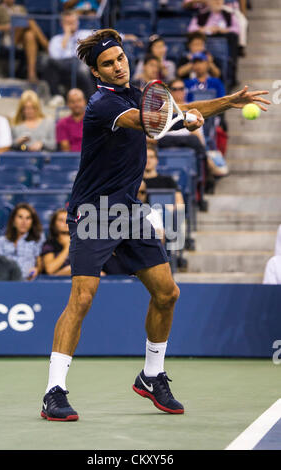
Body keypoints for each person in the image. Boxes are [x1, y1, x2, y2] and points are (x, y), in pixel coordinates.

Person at [40, 27, 270, 421]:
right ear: (97, 73)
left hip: (128, 212)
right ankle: (53, 391)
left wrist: (227, 102)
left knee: (167, 293)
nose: (117, 67)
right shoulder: (102, 105)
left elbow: (176, 111)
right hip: (94, 212)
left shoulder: (135, 93)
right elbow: (151, 121)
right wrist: (186, 121)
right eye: (108, 64)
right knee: (82, 298)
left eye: (120, 59)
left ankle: (151, 375)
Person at [0, 0, 48, 83]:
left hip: (22, 40)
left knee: (30, 35)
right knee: (29, 21)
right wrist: (6, 27)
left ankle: (31, 74)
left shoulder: (21, 8)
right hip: (7, 38)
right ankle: (47, 46)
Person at [41, 9, 96, 99]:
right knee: (48, 63)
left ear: (78, 22)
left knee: (84, 68)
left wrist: (126, 37)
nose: (71, 25)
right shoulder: (56, 39)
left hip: (80, 64)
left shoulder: (86, 34)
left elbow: (108, 35)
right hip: (62, 67)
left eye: (73, 22)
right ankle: (57, 97)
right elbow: (55, 56)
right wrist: (67, 35)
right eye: (68, 23)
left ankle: (92, 100)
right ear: (62, 24)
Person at [0, 203, 45, 280]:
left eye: (28, 218)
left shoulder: (38, 238)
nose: (24, 222)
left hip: (27, 282)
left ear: (32, 222)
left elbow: (40, 263)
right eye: (20, 217)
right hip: (5, 281)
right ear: (13, 221)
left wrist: (36, 270)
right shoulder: (2, 241)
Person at [41, 209, 71, 276]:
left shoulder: (81, 242)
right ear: (54, 224)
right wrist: (67, 247)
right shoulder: (49, 244)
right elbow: (50, 269)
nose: (65, 223)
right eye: (61, 220)